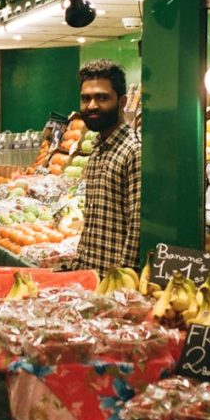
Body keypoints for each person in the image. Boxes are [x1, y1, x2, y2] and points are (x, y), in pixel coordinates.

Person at [74, 59, 141, 275]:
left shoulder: (134, 151)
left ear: (122, 102)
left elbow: (137, 226)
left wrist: (123, 281)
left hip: (115, 283)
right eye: (86, 99)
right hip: (90, 275)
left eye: (102, 97)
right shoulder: (98, 149)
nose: (92, 105)